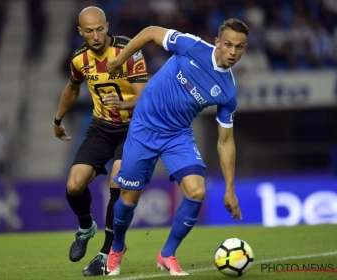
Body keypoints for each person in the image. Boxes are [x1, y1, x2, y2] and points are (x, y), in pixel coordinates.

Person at [104, 18, 249, 276]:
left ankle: (167, 254)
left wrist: (230, 188)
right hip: (144, 128)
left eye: (239, 47)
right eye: (228, 44)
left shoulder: (228, 92)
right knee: (128, 200)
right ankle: (117, 247)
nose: (232, 52)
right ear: (218, 42)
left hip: (178, 136)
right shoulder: (192, 46)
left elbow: (225, 141)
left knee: (196, 192)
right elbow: (150, 32)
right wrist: (118, 60)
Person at [53, 6, 148, 277]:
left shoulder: (128, 50)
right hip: (101, 128)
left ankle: (107, 254)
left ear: (107, 26)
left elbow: (146, 95)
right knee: (74, 185)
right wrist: (58, 121)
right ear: (80, 31)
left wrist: (123, 102)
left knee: (116, 180)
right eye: (89, 31)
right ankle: (86, 228)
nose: (95, 36)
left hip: (134, 128)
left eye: (100, 29)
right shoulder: (79, 59)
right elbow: (72, 87)